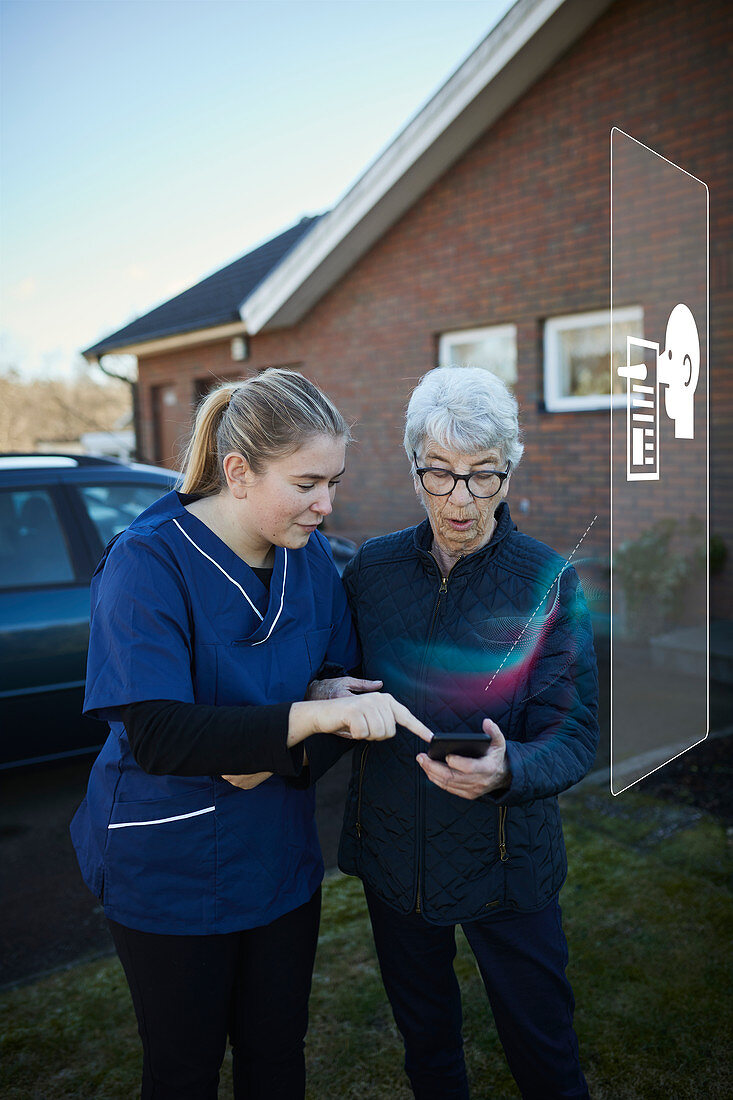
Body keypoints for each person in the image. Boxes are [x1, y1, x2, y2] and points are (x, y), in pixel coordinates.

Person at [70, 367, 431, 1100]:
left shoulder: (312, 568)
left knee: (275, 1057)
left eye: (332, 481)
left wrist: (267, 751)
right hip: (166, 865)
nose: (325, 505)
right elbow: (161, 735)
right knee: (183, 1070)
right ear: (237, 472)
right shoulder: (148, 564)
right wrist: (302, 718)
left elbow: (349, 694)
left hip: (276, 864)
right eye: (306, 484)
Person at [336, 366, 599, 1099]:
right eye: (440, 474)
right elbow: (336, 679)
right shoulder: (372, 570)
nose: (460, 499)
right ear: (413, 467)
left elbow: (573, 732)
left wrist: (508, 768)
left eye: (483, 476)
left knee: (544, 1049)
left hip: (507, 863)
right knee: (427, 1048)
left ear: (508, 472)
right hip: (396, 857)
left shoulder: (548, 580)